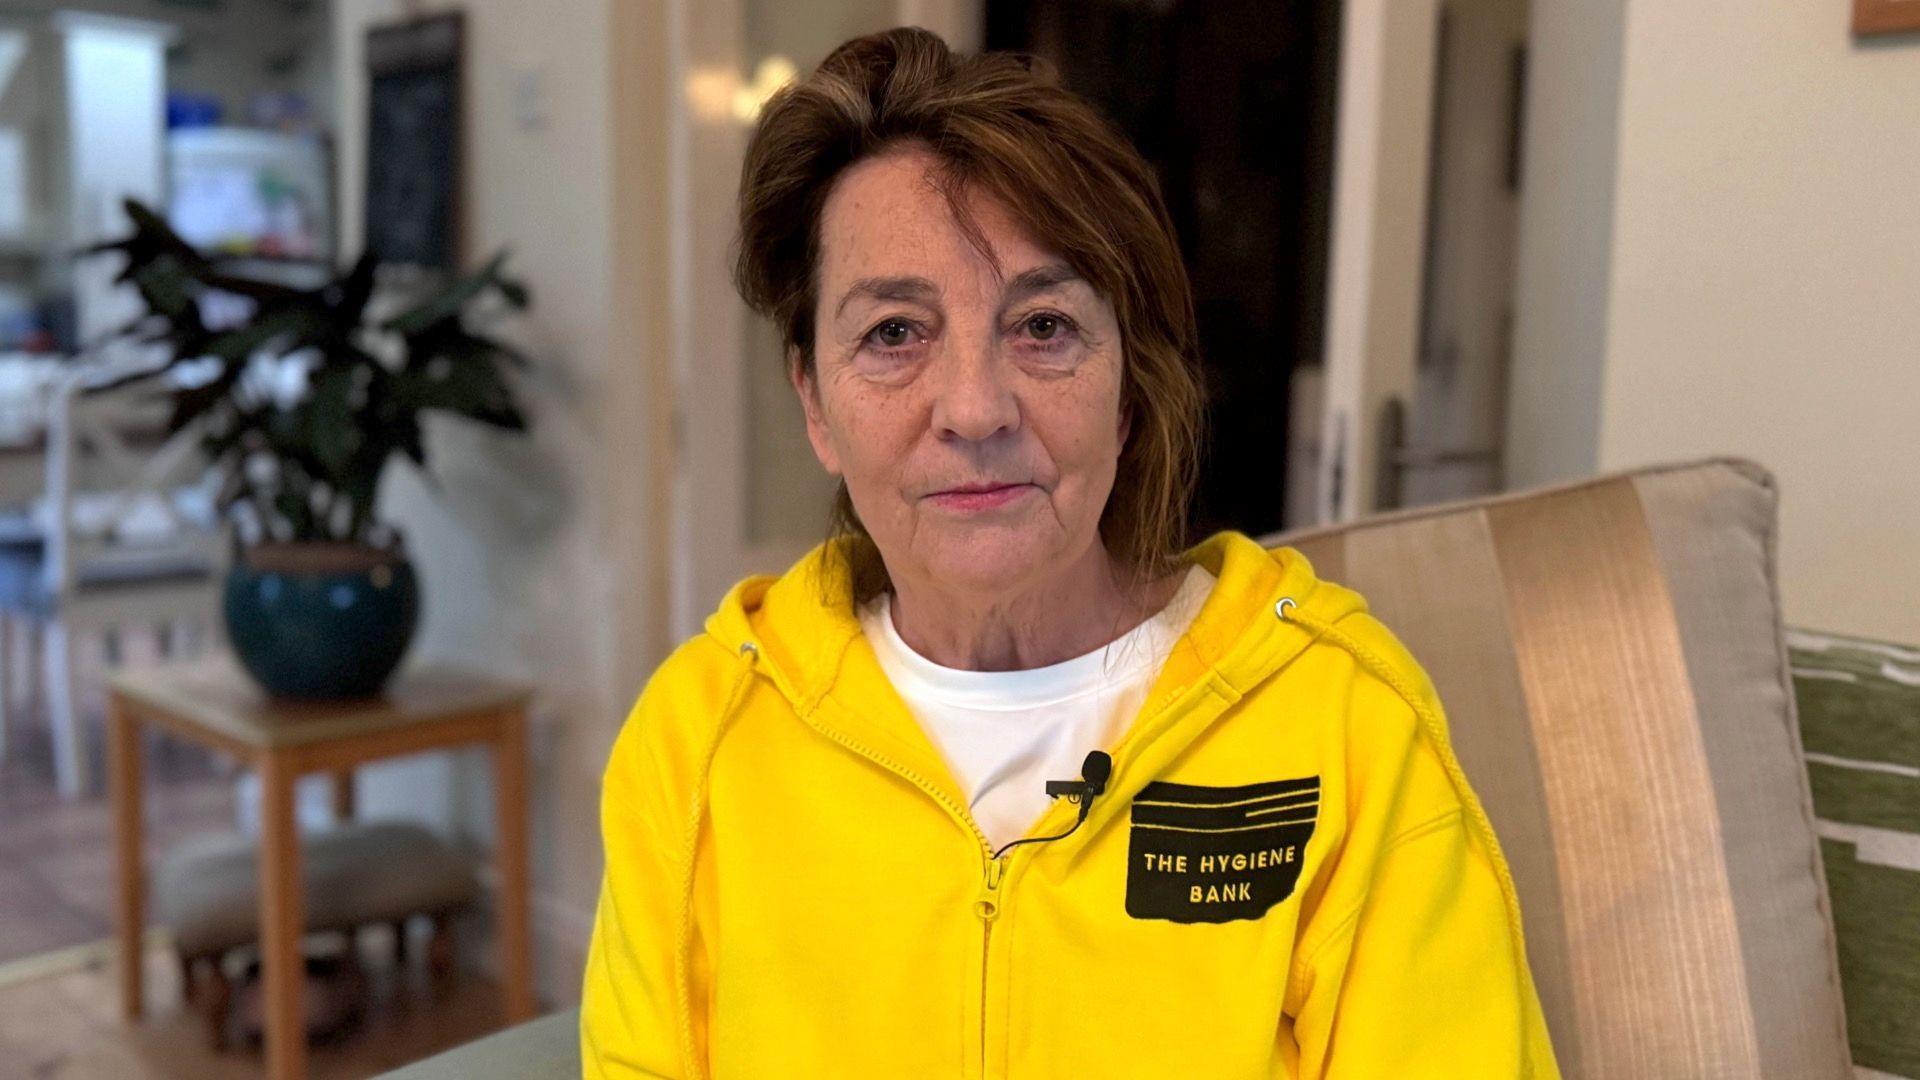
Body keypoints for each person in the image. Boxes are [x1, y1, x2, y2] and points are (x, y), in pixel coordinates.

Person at [581, 26, 1560, 1079]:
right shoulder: (697, 746)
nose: (975, 407)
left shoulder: (1347, 728)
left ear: (1128, 384)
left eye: (1043, 326)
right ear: (815, 401)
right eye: (894, 334)